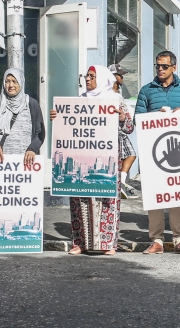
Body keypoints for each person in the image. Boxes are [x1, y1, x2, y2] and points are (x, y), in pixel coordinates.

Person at [51, 65, 132, 255]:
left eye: (92, 76)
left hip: (107, 162)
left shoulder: (115, 101)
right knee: (80, 199)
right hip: (83, 159)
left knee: (107, 202)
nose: (87, 79)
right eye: (86, 76)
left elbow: (129, 128)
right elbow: (68, 123)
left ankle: (108, 244)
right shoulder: (80, 101)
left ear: (102, 78)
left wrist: (121, 118)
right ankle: (80, 242)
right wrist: (58, 116)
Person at [136, 51, 180, 254]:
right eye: (158, 66)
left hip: (179, 153)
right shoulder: (146, 90)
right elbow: (138, 119)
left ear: (174, 67)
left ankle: (179, 239)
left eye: (164, 66)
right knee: (154, 195)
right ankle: (156, 240)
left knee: (177, 195)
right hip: (153, 152)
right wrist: (154, 116)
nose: (160, 69)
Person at [0, 68, 43, 168]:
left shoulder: (31, 104)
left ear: (21, 82)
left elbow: (40, 132)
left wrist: (32, 149)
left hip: (25, 163)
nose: (11, 85)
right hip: (0, 162)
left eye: (14, 81)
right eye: (7, 81)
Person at [109, 64, 139, 198]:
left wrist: (125, 120)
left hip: (120, 130)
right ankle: (119, 183)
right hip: (113, 132)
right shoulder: (108, 94)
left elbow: (125, 118)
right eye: (119, 75)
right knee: (127, 156)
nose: (122, 77)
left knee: (129, 156)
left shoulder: (119, 94)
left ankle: (120, 181)